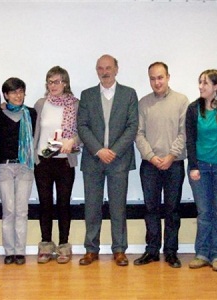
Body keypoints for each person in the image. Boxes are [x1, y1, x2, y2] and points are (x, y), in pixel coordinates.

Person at [77, 54, 138, 266]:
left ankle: (119, 250)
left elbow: (132, 126)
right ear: (97, 71)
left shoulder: (129, 94)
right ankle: (91, 249)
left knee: (118, 207)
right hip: (93, 160)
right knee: (92, 207)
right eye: (101, 68)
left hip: (119, 161)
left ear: (116, 69)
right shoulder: (87, 95)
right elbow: (82, 126)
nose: (105, 72)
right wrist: (99, 150)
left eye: (108, 67)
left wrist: (113, 151)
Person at [135, 62, 189, 268]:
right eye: (152, 78)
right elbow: (138, 133)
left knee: (172, 209)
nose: (156, 82)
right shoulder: (143, 103)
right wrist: (150, 155)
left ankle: (171, 252)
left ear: (168, 77)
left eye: (160, 77)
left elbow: (184, 132)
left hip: (173, 164)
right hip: (150, 165)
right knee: (151, 209)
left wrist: (171, 156)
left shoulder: (181, 101)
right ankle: (152, 251)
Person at [186, 69, 217, 272]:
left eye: (205, 83)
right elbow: (190, 139)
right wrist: (194, 166)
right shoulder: (194, 108)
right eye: (199, 83)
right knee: (204, 212)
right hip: (201, 167)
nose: (200, 87)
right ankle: (202, 253)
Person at [34, 66, 80, 264]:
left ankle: (63, 246)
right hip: (43, 161)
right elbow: (29, 125)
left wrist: (74, 140)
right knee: (45, 205)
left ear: (66, 83)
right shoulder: (40, 104)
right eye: (50, 81)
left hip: (64, 163)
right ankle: (45, 246)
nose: (54, 85)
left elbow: (84, 131)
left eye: (58, 81)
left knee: (63, 204)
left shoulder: (76, 105)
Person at [0, 78, 37, 265]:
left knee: (21, 210)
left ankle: (20, 252)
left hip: (25, 166)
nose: (18, 95)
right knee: (9, 210)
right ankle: (9, 252)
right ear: (6, 95)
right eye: (13, 92)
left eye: (21, 91)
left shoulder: (32, 114)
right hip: (4, 167)